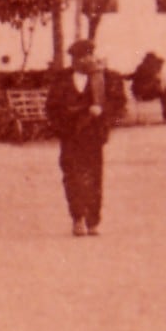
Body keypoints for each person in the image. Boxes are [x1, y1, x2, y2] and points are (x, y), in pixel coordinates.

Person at [47, 39, 112, 236]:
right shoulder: (62, 79)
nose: (86, 60)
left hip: (94, 136)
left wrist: (102, 111)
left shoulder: (103, 78)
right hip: (71, 136)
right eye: (81, 57)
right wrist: (72, 118)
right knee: (72, 177)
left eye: (89, 56)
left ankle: (93, 220)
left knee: (94, 178)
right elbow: (52, 107)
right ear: (74, 60)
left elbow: (118, 104)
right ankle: (78, 218)